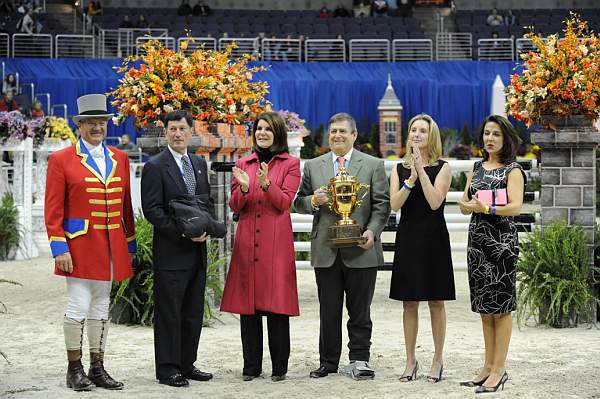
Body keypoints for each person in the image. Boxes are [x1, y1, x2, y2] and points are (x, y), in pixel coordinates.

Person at [44, 93, 136, 391]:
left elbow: (126, 206)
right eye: (90, 122)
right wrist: (60, 248)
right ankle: (74, 368)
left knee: (101, 306)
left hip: (111, 245)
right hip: (79, 246)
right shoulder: (61, 159)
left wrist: (130, 244)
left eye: (102, 122)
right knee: (78, 304)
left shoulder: (120, 158)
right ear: (79, 125)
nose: (97, 127)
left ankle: (97, 368)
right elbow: (53, 209)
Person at [294, 112, 390, 381]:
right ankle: (328, 361)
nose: (337, 135)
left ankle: (359, 359)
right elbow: (298, 202)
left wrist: (372, 231)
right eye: (333, 131)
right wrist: (314, 200)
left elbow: (383, 205)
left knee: (360, 311)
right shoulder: (313, 166)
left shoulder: (372, 165)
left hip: (362, 248)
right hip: (326, 249)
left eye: (343, 132)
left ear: (354, 135)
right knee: (329, 310)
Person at [220, 112, 300, 382]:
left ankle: (279, 368)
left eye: (268, 129)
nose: (262, 133)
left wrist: (266, 184)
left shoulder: (291, 164)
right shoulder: (244, 162)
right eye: (258, 129)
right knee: (249, 308)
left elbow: (284, 203)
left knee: (276, 306)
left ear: (278, 133)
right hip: (247, 243)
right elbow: (235, 206)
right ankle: (251, 367)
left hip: (276, 245)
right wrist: (242, 190)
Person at [141, 110, 214, 388]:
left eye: (182, 128)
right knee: (170, 312)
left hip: (198, 252)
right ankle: (168, 368)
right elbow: (153, 211)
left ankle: (187, 363)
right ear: (166, 132)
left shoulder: (198, 163)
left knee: (192, 311)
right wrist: (184, 233)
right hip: (172, 251)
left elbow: (204, 203)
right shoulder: (156, 166)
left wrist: (205, 228)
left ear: (191, 132)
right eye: (172, 129)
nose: (178, 133)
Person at [457, 115, 525, 394]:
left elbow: (516, 207)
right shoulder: (476, 168)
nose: (490, 138)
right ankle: (487, 366)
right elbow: (464, 204)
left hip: (503, 242)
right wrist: (468, 205)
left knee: (502, 308)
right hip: (477, 242)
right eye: (487, 133)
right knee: (485, 310)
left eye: (496, 134)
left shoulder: (513, 170)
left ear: (505, 138)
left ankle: (500, 368)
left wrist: (489, 209)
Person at [389, 114, 455, 383]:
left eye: (422, 131)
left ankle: (438, 359)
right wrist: (410, 179)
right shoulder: (398, 169)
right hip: (408, 238)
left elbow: (435, 202)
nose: (416, 134)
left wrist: (422, 174)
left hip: (434, 239)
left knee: (436, 302)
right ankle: (410, 361)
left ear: (432, 137)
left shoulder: (443, 167)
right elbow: (394, 204)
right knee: (409, 303)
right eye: (413, 130)